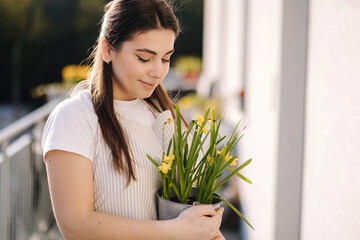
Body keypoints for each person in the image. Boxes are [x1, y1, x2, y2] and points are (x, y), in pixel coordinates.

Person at [41, 0, 224, 239]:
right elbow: (77, 226)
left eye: (166, 58)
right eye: (144, 58)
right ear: (107, 50)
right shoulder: (75, 116)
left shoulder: (167, 117)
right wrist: (176, 230)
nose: (158, 72)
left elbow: (192, 204)